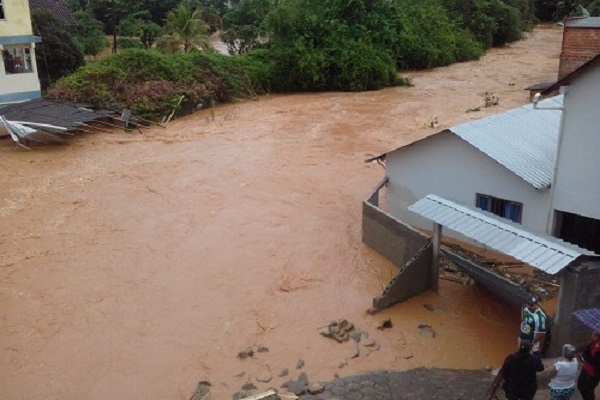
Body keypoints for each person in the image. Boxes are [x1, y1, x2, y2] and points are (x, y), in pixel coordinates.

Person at [577, 331, 600, 400]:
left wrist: (585, 357)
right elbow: (585, 352)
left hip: (593, 374)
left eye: (595, 335)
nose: (592, 337)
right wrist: (586, 357)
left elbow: (595, 362)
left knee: (588, 390)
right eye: (592, 334)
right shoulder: (593, 343)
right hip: (586, 369)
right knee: (580, 386)